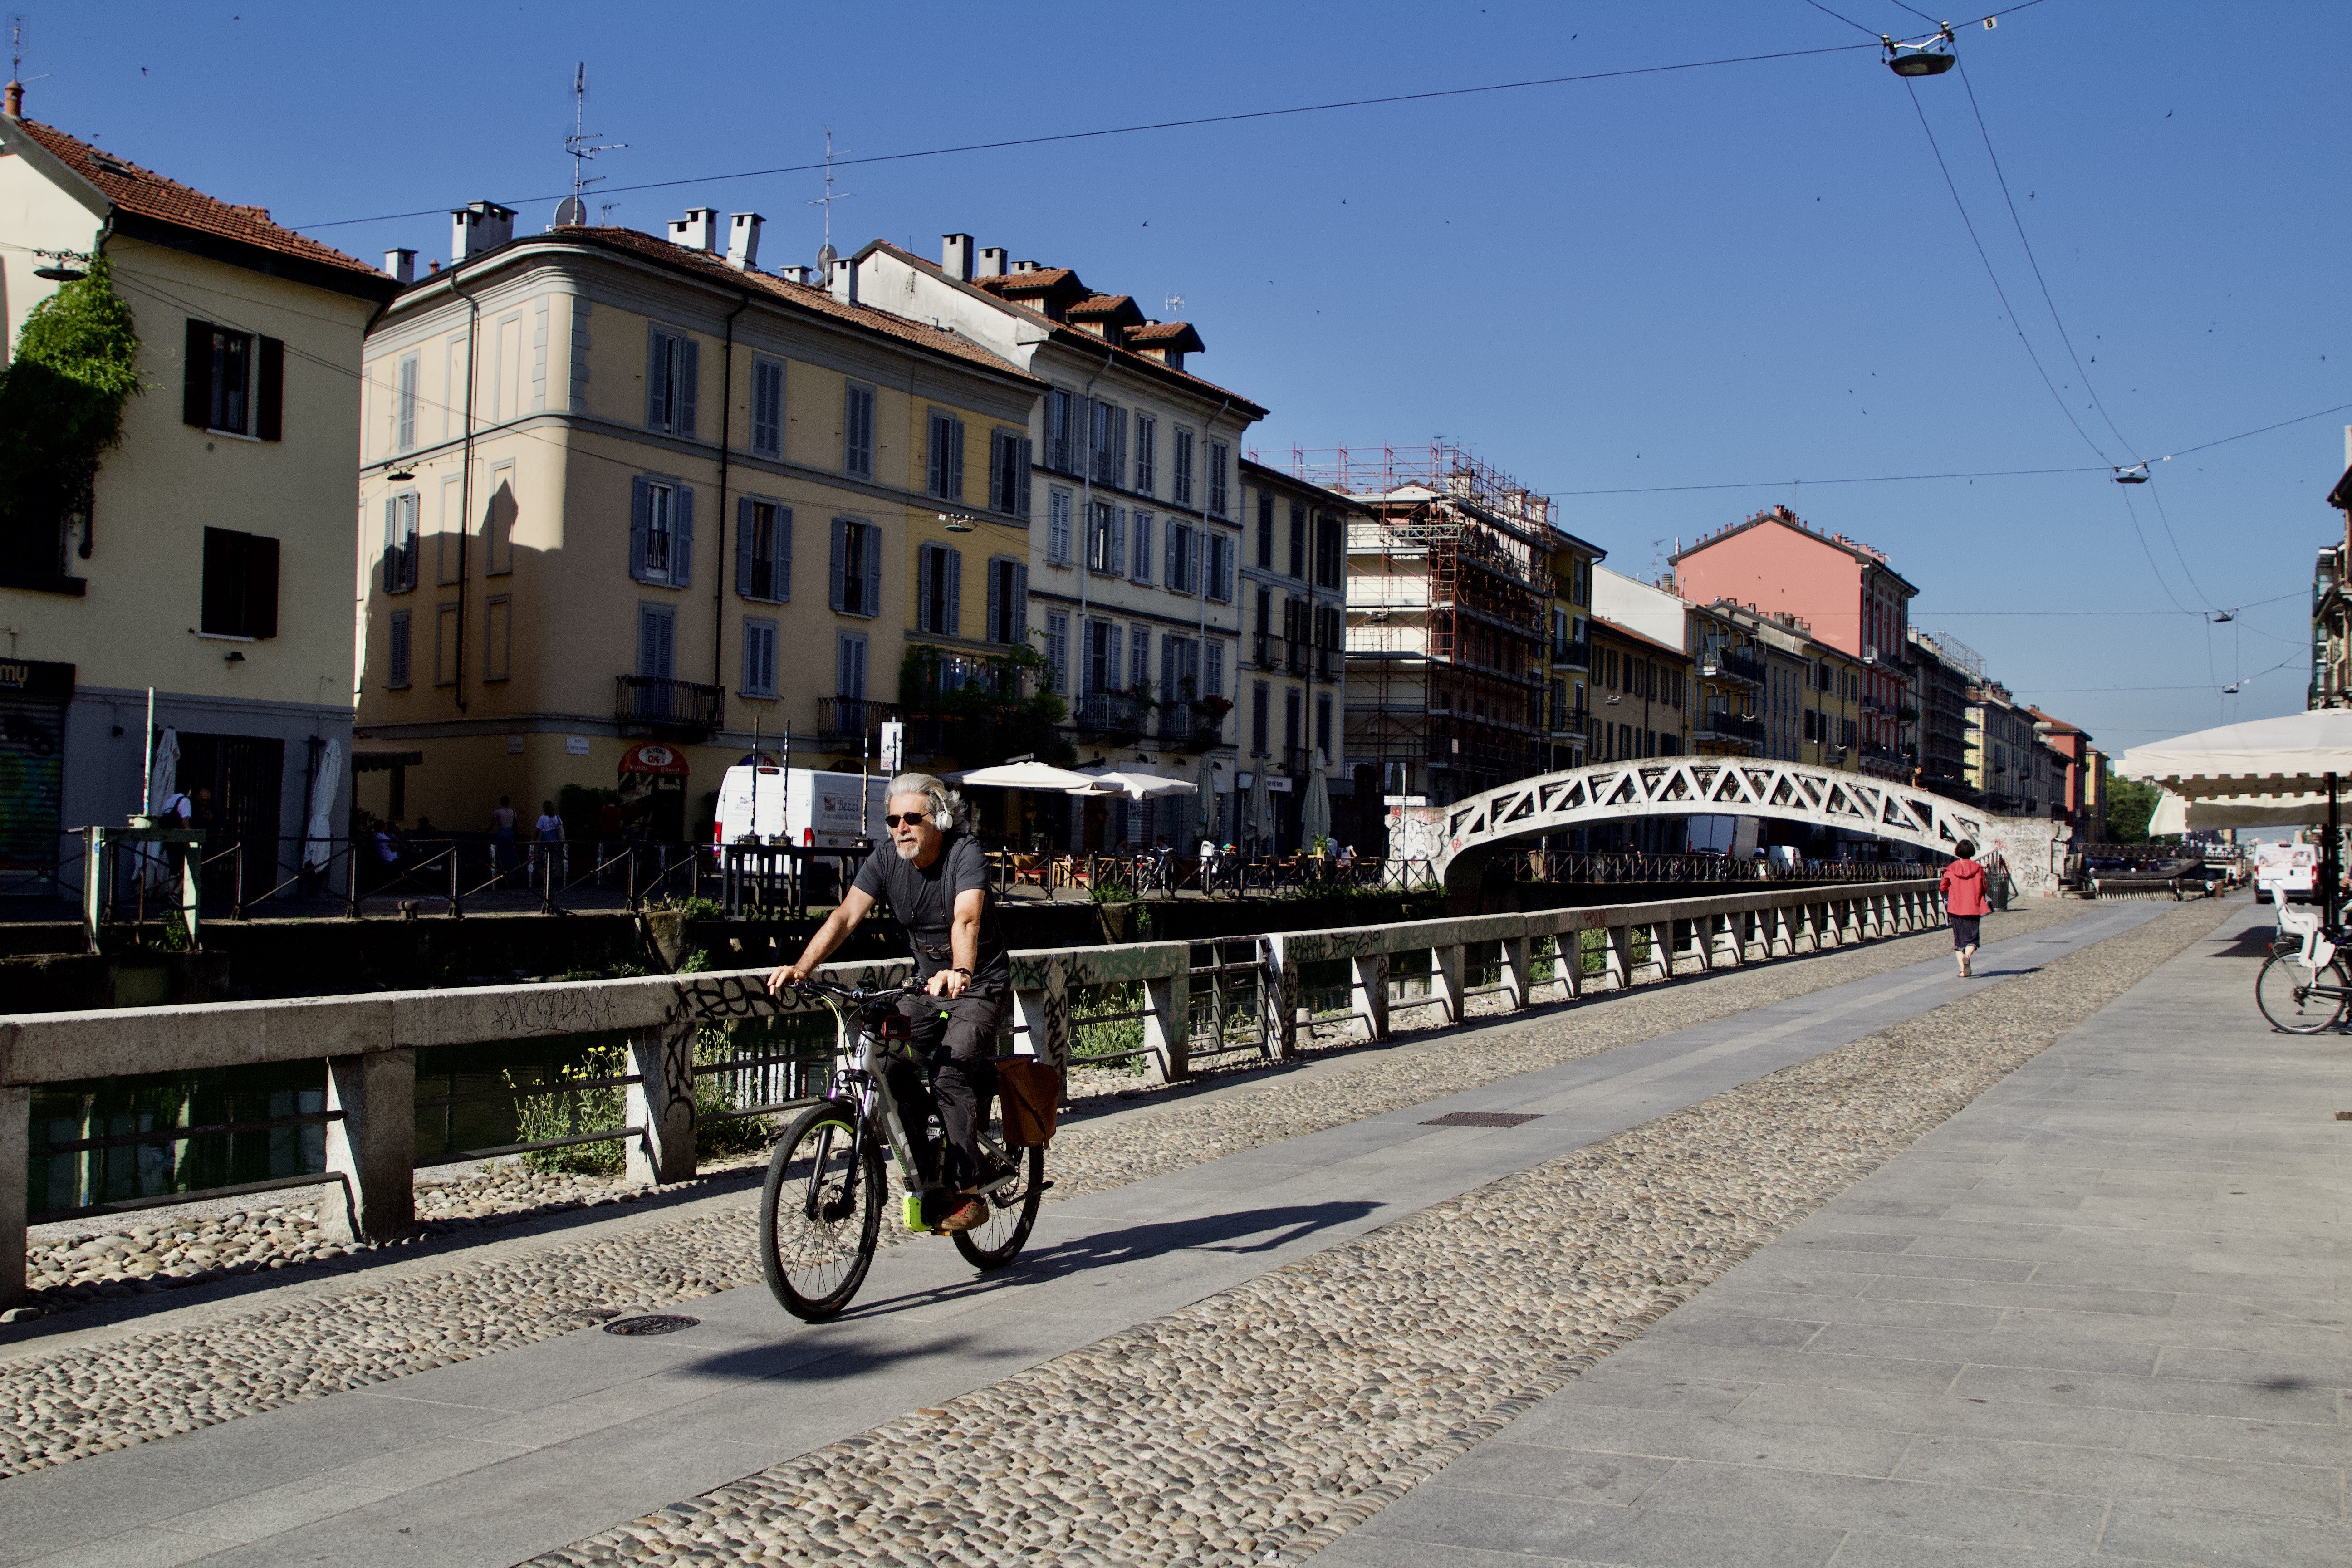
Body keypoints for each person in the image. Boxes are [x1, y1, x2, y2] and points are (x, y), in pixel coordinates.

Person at [767, 772, 1008, 1236]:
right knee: (890, 1064)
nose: (900, 827)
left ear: (938, 819)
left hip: (978, 985)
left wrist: (960, 970)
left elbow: (967, 918)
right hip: (924, 988)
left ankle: (968, 1191)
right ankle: (928, 1177)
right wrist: (802, 967)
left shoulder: (965, 854)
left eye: (911, 819)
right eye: (893, 819)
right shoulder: (885, 860)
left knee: (949, 1071)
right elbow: (845, 916)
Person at [1940, 838, 1991, 977]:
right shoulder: (1978, 869)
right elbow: (1984, 887)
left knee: (1959, 940)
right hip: (1973, 907)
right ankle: (1968, 957)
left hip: (1956, 907)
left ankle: (1963, 970)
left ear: (1958, 852)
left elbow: (1943, 886)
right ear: (1972, 852)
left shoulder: (1951, 869)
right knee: (1973, 938)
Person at [532, 799, 565, 880]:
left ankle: (545, 870)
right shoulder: (557, 817)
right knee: (553, 855)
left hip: (546, 838)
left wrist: (534, 840)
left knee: (543, 853)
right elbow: (559, 829)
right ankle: (553, 870)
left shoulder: (543, 818)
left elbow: (538, 830)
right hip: (554, 838)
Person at [490, 795, 518, 882]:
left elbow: (493, 824)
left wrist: (486, 832)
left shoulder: (498, 812)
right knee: (512, 855)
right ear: (509, 803)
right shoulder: (513, 812)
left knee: (502, 855)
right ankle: (513, 874)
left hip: (502, 835)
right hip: (510, 835)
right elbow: (516, 825)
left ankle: (504, 873)